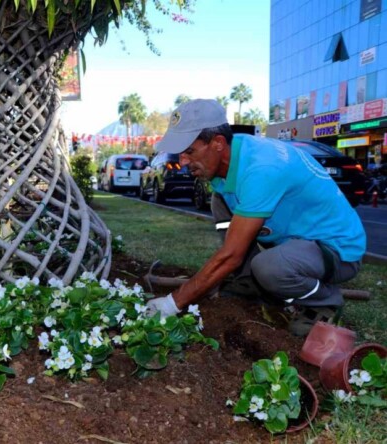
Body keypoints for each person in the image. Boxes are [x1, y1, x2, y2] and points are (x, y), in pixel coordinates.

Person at [145, 99, 365, 336]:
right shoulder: (234, 154)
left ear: (218, 143)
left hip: (337, 250)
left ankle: (324, 301)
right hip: (297, 241)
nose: (183, 162)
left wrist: (172, 304)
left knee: (269, 269)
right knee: (221, 200)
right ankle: (248, 281)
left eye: (189, 151)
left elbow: (230, 256)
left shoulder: (263, 169)